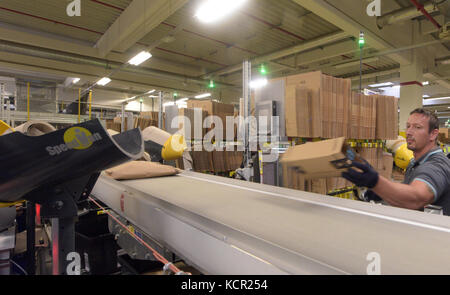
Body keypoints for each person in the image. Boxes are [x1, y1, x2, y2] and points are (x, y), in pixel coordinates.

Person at [342, 108, 450, 215]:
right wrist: (382, 193)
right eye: (408, 126)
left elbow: (417, 197)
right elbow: (408, 190)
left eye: (417, 127)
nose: (408, 132)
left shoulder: (436, 165)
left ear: (433, 134)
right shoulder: (414, 163)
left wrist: (376, 182)